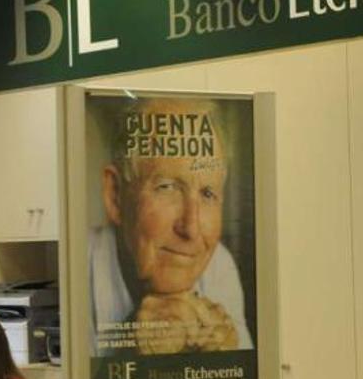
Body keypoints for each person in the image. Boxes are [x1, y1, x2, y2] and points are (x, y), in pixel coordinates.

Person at [91, 98, 253, 355]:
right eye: (167, 187)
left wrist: (225, 361)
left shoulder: (220, 264)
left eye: (208, 193)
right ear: (115, 196)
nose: (190, 228)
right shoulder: (76, 270)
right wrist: (129, 351)